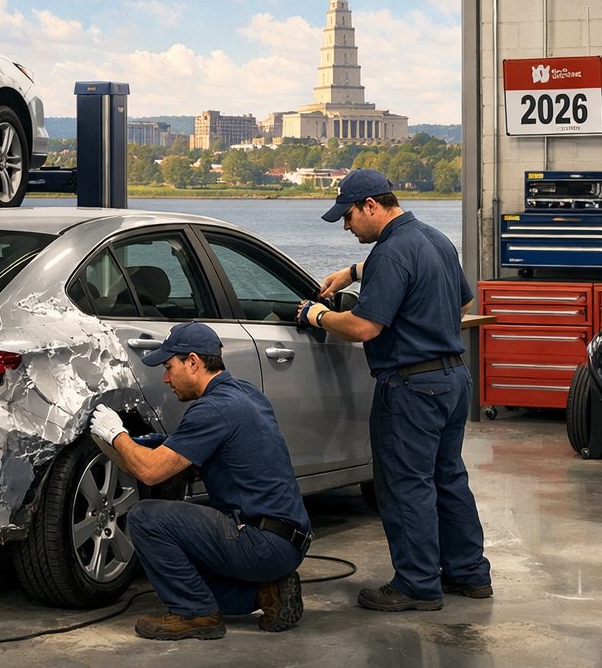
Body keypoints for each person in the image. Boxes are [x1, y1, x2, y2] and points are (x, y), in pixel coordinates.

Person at [296, 167, 492, 613]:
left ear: (371, 206)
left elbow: (364, 326)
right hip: (453, 379)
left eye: (347, 216)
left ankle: (417, 585)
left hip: (411, 387)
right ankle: (469, 573)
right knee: (448, 478)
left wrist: (316, 316)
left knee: (406, 486)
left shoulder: (390, 253)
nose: (346, 226)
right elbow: (463, 302)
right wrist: (354, 271)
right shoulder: (434, 240)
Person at [89, 321, 310, 641]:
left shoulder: (213, 409)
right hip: (288, 537)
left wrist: (116, 433)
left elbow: (150, 471)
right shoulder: (245, 393)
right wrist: (130, 448)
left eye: (169, 367)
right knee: (180, 561)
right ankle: (265, 592)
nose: (165, 379)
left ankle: (194, 614)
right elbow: (172, 463)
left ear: (193, 362)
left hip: (262, 543)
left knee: (146, 517)